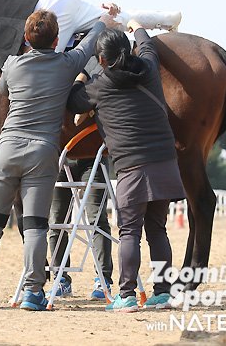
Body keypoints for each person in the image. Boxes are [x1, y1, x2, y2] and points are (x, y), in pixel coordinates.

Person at [0, 9, 119, 311]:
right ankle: (33, 292)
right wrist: (106, 19)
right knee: (36, 224)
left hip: (6, 148)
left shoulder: (12, 65)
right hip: (41, 150)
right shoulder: (66, 64)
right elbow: (89, 44)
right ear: (56, 41)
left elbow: (2, 90)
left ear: (27, 38)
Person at [67, 20, 185, 312]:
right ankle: (163, 293)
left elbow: (73, 101)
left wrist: (83, 74)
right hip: (165, 160)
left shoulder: (100, 85)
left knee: (130, 231)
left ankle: (127, 295)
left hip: (132, 166)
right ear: (129, 50)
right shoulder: (148, 69)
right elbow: (147, 45)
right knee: (158, 229)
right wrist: (136, 25)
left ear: (102, 60)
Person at [48, 155, 114, 301]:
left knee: (96, 219)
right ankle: (60, 279)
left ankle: (103, 280)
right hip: (61, 158)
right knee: (56, 221)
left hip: (93, 158)